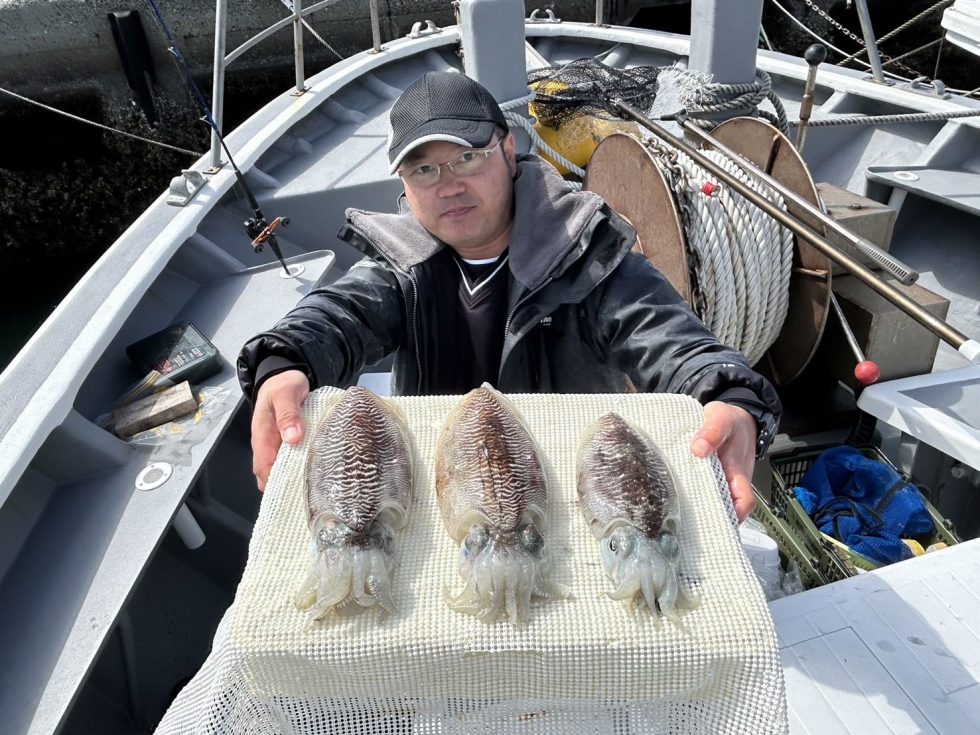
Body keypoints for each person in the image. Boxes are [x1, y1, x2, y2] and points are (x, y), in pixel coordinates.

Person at [237, 71, 781, 522]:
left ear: (508, 148)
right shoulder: (399, 262)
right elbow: (340, 314)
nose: (448, 185)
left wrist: (730, 398)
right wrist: (285, 361)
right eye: (424, 169)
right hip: (443, 486)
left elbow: (672, 341)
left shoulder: (588, 254)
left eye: (468, 157)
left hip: (576, 486)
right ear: (404, 183)